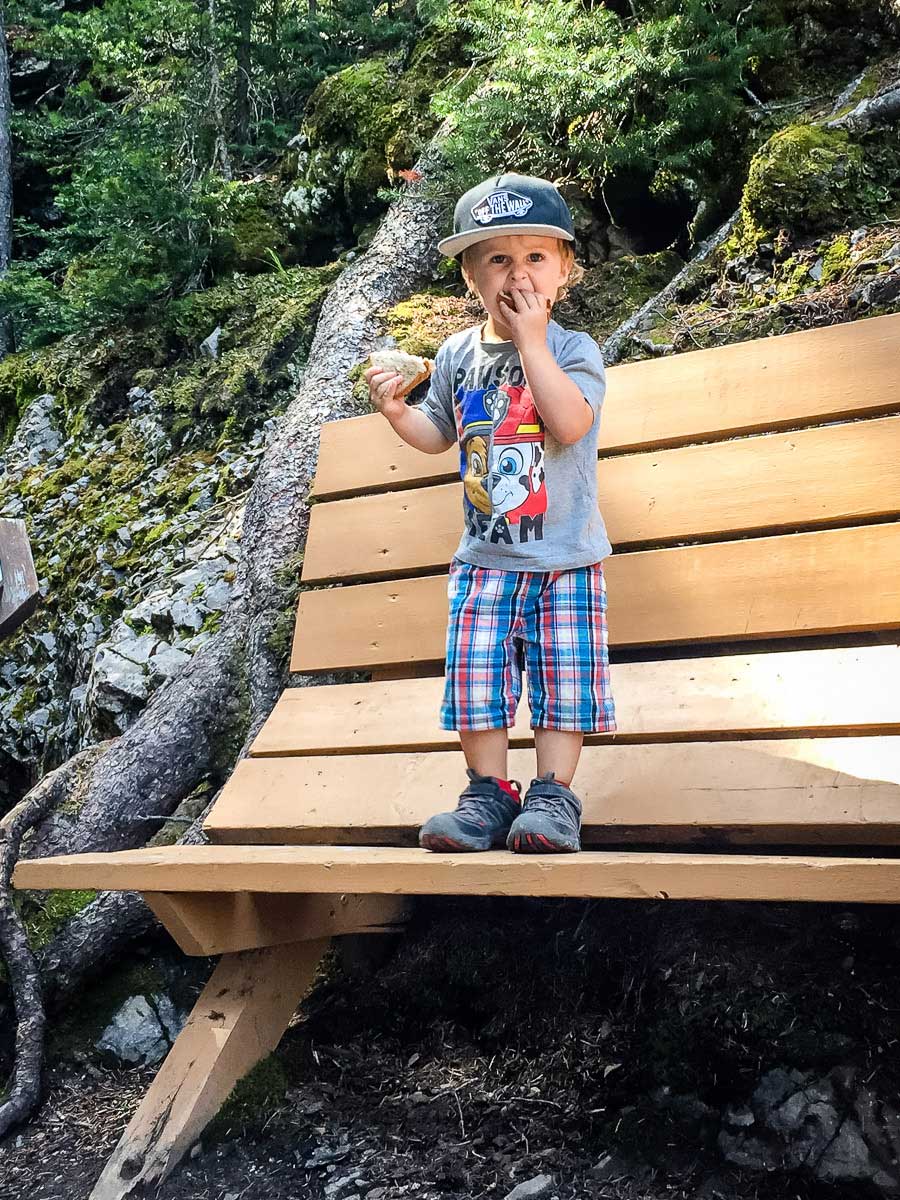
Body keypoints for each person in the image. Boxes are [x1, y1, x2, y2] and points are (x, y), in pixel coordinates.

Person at [363, 171, 615, 854]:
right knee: (477, 677)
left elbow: (569, 425)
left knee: (565, 680)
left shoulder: (571, 350)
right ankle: (487, 795)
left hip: (566, 557)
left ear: (566, 270)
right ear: (470, 276)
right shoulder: (456, 355)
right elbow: (437, 434)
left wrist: (532, 342)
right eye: (497, 258)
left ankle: (553, 798)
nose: (517, 274)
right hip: (486, 560)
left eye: (535, 257)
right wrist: (396, 411)